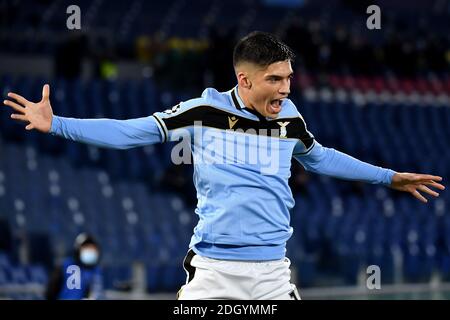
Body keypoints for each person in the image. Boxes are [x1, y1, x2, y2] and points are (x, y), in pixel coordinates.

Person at [3, 31, 445, 300]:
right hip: (214, 273)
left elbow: (322, 157)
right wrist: (56, 123)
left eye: (289, 78)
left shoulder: (290, 120)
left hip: (272, 272)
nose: (286, 89)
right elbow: (129, 131)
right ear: (244, 79)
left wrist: (388, 177)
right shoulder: (203, 112)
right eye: (276, 79)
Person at [45, 233, 103, 300]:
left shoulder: (97, 271)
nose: (90, 251)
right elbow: (50, 293)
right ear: (78, 250)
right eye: (86, 248)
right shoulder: (65, 267)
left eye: (92, 249)